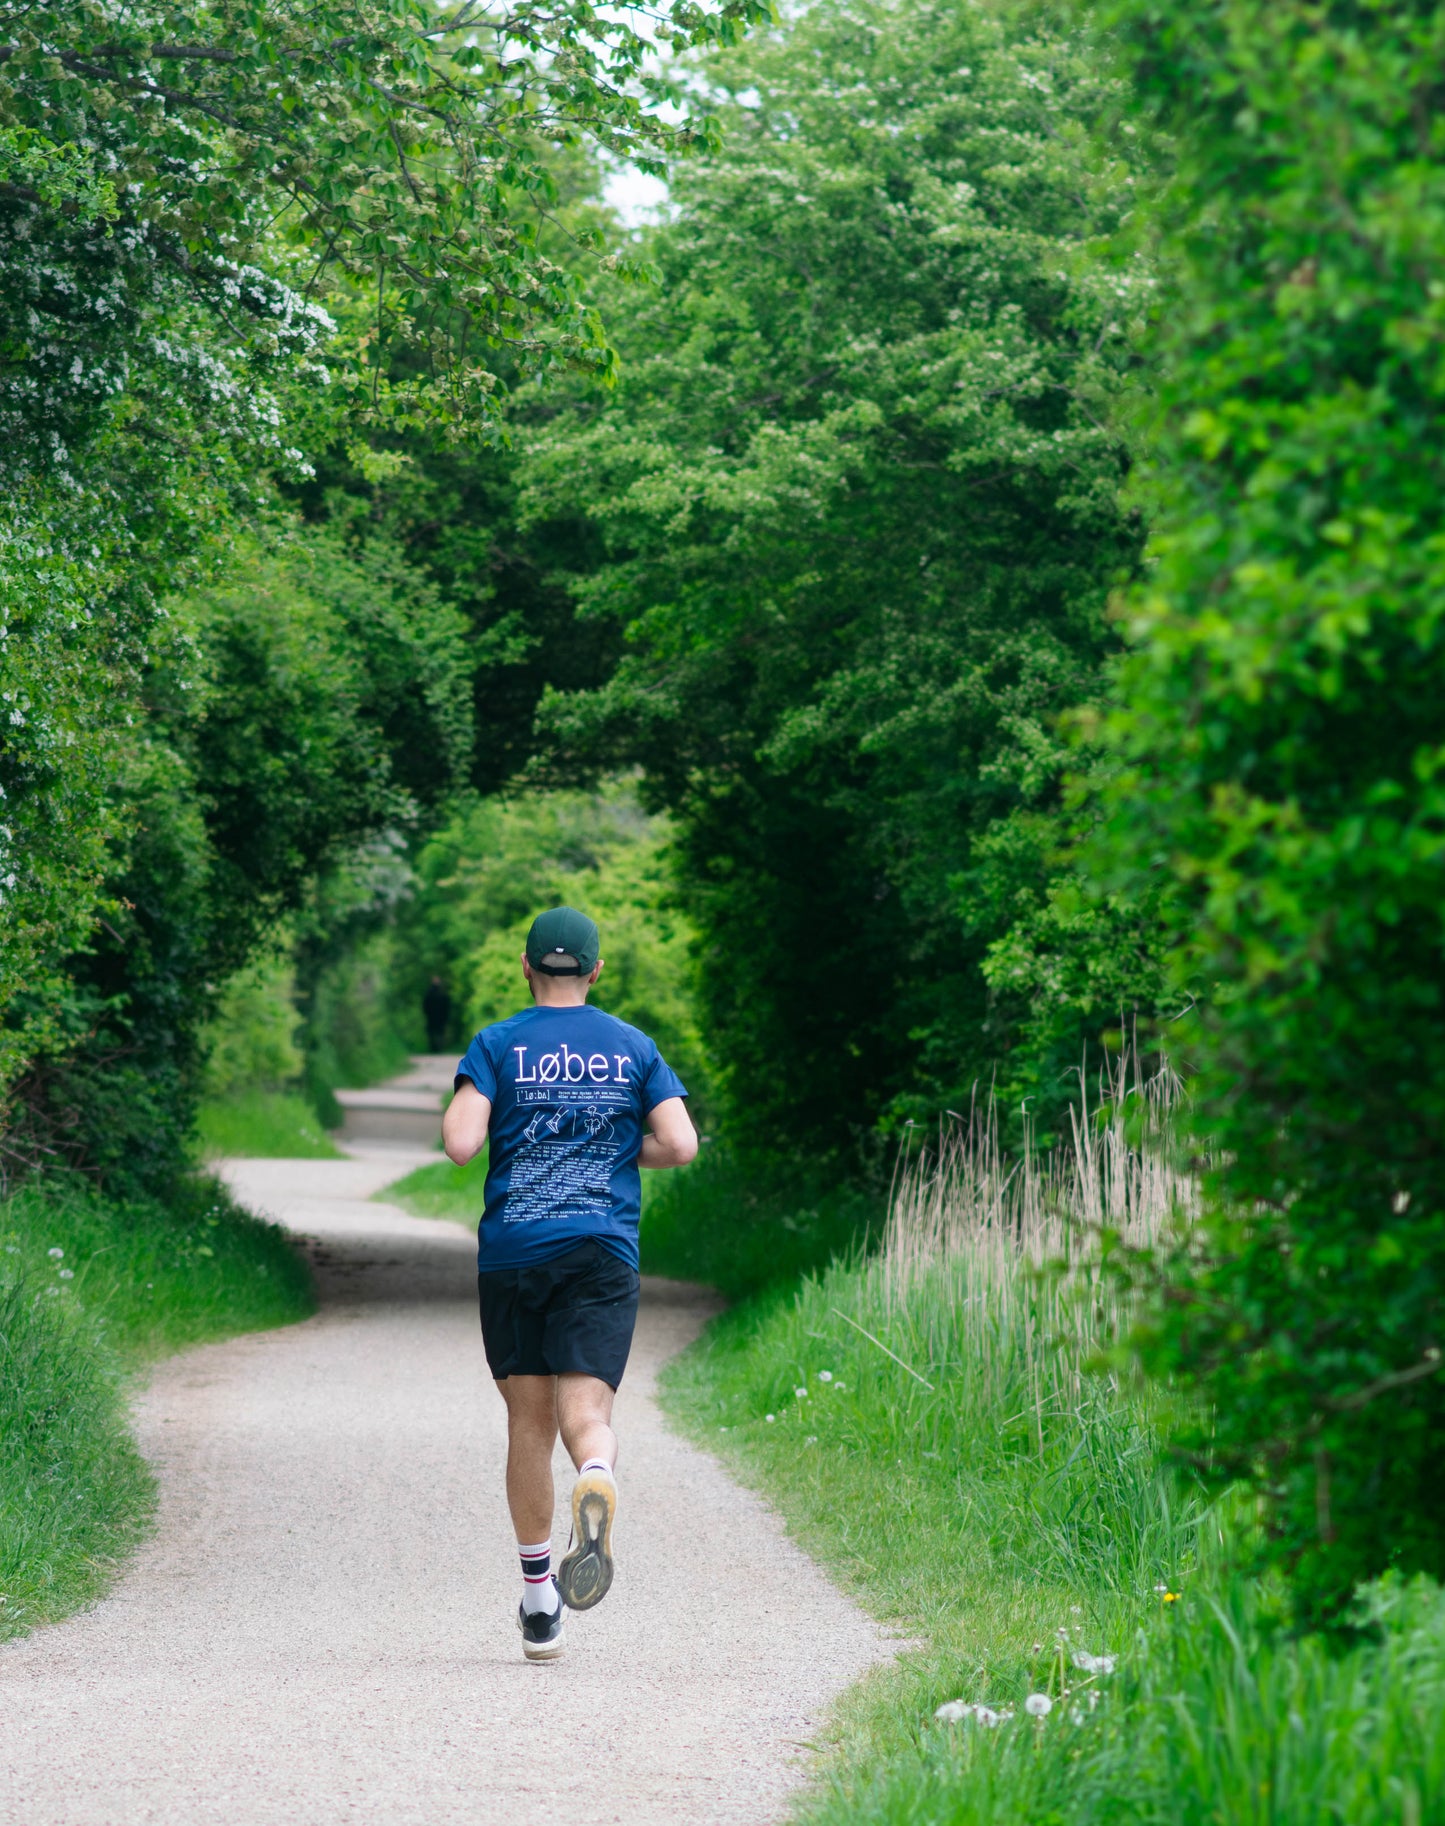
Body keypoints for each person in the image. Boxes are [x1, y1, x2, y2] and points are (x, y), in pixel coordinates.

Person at [442, 906, 697, 1661]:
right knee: (585, 1411)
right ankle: (596, 1472)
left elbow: (460, 1145)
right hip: (600, 1249)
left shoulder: (497, 1044)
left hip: (516, 1252)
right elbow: (679, 1143)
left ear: (525, 967)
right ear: (595, 971)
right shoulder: (631, 1047)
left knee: (528, 1424)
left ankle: (539, 1602)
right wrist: (618, 1154)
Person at [422, 976, 452, 1053]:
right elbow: (447, 1006)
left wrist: (427, 1013)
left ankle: (434, 1047)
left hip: (432, 1016)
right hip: (440, 1017)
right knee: (439, 1032)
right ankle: (438, 1047)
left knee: (433, 1032)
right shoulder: (442, 993)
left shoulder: (429, 993)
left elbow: (425, 1005)